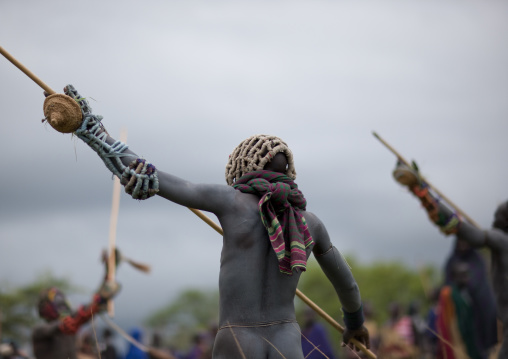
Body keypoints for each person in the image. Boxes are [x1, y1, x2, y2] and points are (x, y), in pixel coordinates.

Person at [49, 85, 370, 359]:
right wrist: (355, 324)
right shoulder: (309, 223)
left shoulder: (230, 201)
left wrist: (92, 129)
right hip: (287, 342)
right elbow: (348, 286)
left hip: (237, 339)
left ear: (244, 166)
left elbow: (152, 176)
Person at [392, 161, 505, 358]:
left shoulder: (501, 241)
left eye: (498, 218)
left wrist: (424, 194)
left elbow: (466, 231)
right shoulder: (494, 248)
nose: (494, 222)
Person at [31, 274, 119, 359]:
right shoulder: (39, 331)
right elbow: (59, 326)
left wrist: (104, 289)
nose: (60, 303)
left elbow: (86, 309)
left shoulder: (69, 322)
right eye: (56, 300)